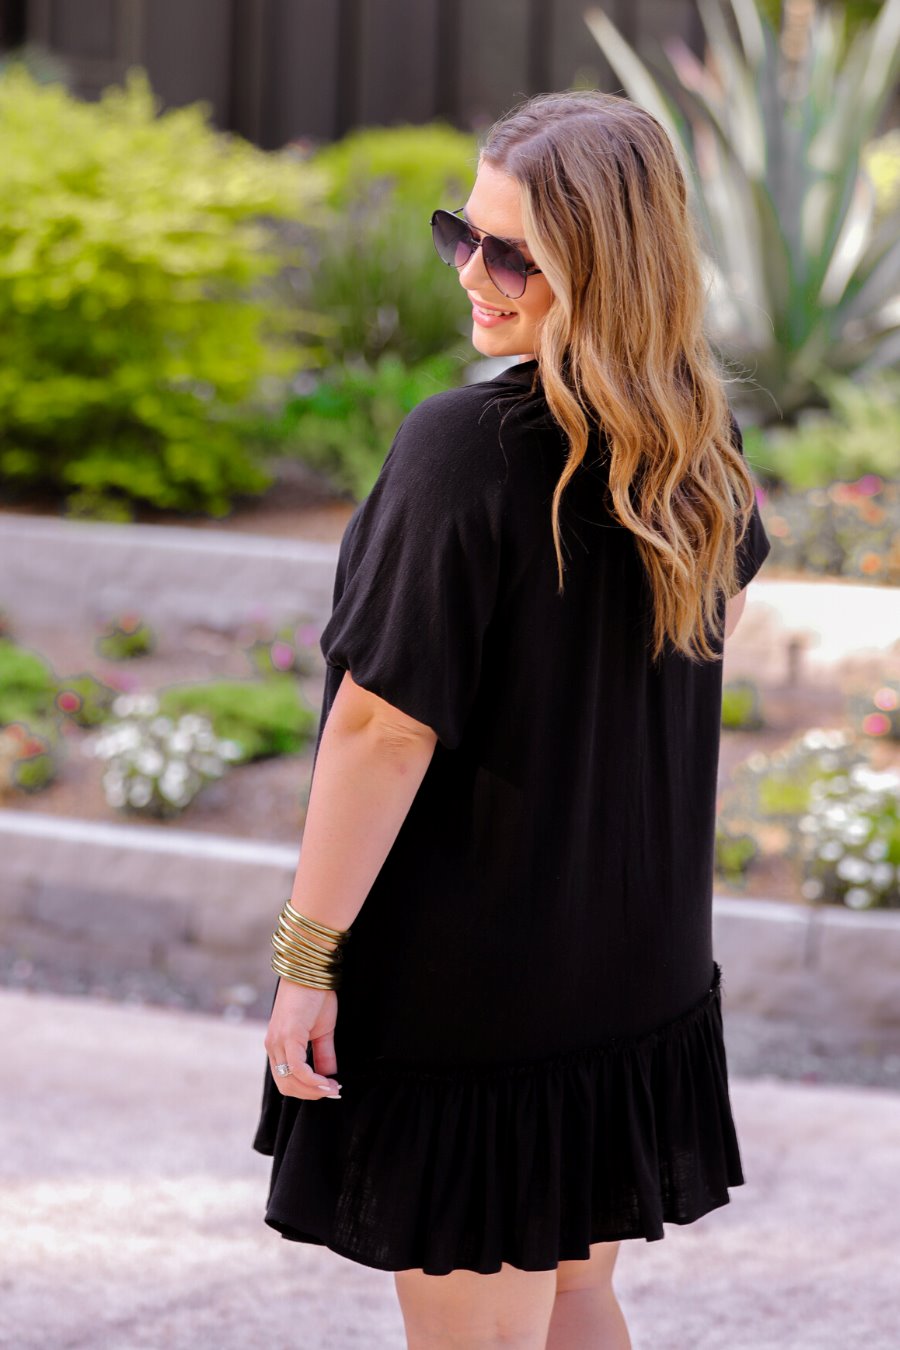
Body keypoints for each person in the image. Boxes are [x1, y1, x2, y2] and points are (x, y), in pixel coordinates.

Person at [252, 88, 771, 1349]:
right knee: (579, 1292)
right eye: (463, 234)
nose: (475, 276)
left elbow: (383, 730)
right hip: (628, 972)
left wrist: (308, 959)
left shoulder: (463, 449)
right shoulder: (698, 450)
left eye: (515, 254)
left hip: (477, 994)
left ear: (608, 264)